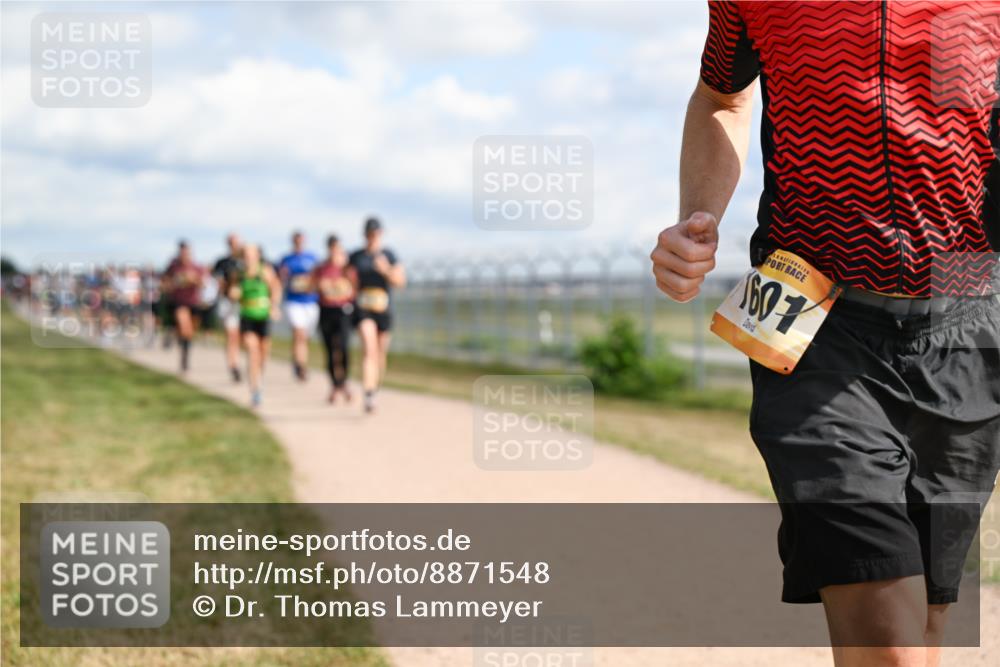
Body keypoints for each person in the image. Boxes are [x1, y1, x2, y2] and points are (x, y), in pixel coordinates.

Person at [651, 3, 1000, 666]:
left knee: (926, 620)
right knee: (886, 631)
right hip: (808, 311)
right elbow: (722, 97)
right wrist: (696, 217)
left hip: (970, 313)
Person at [349, 217, 405, 413]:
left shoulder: (389, 255)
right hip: (363, 309)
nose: (372, 237)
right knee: (369, 349)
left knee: (380, 354)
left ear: (381, 234)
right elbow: (348, 279)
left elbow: (400, 282)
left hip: (383, 310)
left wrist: (386, 270)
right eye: (369, 233)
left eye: (376, 233)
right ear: (364, 235)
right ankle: (369, 394)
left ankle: (374, 386)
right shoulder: (356, 256)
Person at [231, 244, 282, 408]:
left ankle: (259, 377)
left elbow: (276, 288)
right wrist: (234, 294)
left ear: (257, 256)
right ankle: (255, 389)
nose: (248, 258)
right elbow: (232, 292)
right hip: (247, 316)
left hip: (264, 316)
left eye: (251, 254)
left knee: (263, 351)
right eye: (245, 255)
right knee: (252, 351)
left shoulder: (265, 271)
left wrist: (274, 306)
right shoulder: (239, 274)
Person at [312, 234, 358, 404]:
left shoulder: (347, 268)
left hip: (343, 311)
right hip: (326, 311)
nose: (334, 251)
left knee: (344, 347)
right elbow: (311, 286)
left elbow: (355, 289)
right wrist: (320, 286)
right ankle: (335, 384)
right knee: (330, 350)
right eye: (331, 248)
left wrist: (343, 288)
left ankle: (344, 381)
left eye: (336, 248)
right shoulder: (321, 268)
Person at [278, 231, 319, 382]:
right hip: (294, 301)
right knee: (299, 333)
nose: (299, 244)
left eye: (301, 241)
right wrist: (283, 275)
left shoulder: (313, 258)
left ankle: (300, 362)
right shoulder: (286, 259)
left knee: (304, 338)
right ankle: (300, 366)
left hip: (310, 302)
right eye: (296, 241)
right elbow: (280, 279)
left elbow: (318, 278)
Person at [162, 241, 206, 372]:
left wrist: (193, 280)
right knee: (184, 325)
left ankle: (184, 353)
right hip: (178, 302)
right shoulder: (173, 266)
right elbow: (164, 282)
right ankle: (183, 354)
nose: (185, 255)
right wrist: (174, 282)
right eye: (182, 253)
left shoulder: (197, 267)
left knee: (189, 332)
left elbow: (203, 284)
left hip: (193, 302)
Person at [212, 233, 244, 382]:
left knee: (240, 337)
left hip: (244, 303)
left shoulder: (245, 261)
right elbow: (217, 282)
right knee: (231, 335)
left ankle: (237, 361)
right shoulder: (222, 262)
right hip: (227, 302)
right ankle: (233, 366)